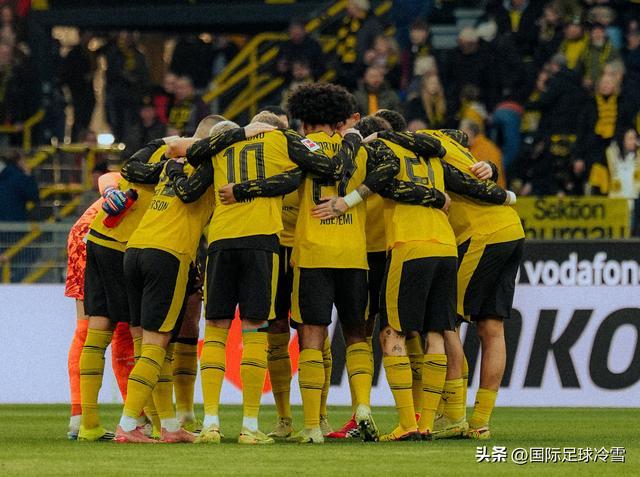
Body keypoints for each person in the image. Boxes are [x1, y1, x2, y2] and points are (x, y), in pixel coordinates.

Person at [167, 110, 357, 444]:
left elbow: (187, 166)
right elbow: (328, 168)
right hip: (261, 244)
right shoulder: (281, 141)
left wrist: (179, 167)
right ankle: (250, 426)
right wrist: (351, 139)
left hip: (220, 242)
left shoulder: (220, 146)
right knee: (256, 330)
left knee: (215, 330)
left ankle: (210, 423)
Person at [284, 84, 398, 444]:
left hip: (313, 253)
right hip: (354, 255)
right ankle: (362, 406)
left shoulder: (299, 148)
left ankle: (312, 426)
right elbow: (389, 172)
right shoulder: (360, 151)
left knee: (312, 337)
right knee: (356, 335)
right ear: (339, 119)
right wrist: (350, 200)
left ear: (305, 121)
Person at [65, 172, 134, 440]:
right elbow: (108, 178)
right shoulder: (155, 172)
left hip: (92, 235)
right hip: (101, 237)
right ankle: (134, 417)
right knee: (120, 329)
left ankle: (81, 417)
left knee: (91, 330)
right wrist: (110, 192)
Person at [335, 0, 384, 89]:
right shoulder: (346, 23)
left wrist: (373, 55)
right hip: (346, 69)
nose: (347, 7)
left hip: (364, 70)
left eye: (350, 5)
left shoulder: (371, 23)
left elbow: (381, 46)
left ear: (358, 7)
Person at [61, 31, 96, 142]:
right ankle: (76, 140)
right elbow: (68, 74)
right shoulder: (75, 54)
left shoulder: (88, 52)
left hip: (87, 92)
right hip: (79, 91)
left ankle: (82, 139)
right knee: (79, 119)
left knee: (84, 119)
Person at [460, 118, 507, 188]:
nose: (459, 136)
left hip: (492, 191)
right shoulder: (487, 145)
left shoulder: (480, 150)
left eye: (462, 131)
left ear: (470, 132)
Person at [0, 151, 38, 222]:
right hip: (16, 222)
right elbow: (34, 197)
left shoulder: (3, 176)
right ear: (20, 162)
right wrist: (28, 175)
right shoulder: (21, 178)